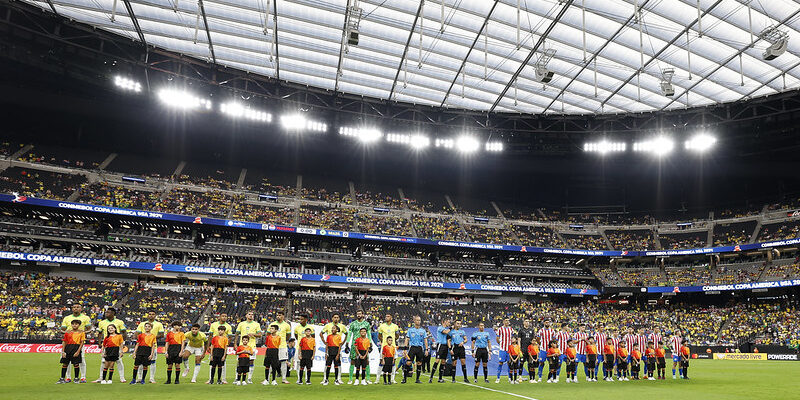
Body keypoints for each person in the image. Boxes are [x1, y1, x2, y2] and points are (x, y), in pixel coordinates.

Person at [93, 307, 127, 383]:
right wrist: (99, 342)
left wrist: (123, 342)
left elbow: (124, 332)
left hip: (116, 345)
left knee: (119, 361)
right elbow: (100, 333)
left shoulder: (119, 322)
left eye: (108, 312)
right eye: (106, 312)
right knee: (103, 362)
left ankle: (122, 377)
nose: (106, 314)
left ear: (113, 313)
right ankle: (101, 377)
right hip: (107, 345)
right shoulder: (102, 322)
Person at [60, 304, 91, 383]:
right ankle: (68, 377)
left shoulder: (85, 317)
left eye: (78, 307)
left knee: (82, 359)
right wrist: (66, 332)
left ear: (81, 308)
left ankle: (83, 377)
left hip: (79, 341)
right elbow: (62, 329)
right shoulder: (67, 318)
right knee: (67, 360)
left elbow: (90, 329)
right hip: (68, 341)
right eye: (74, 307)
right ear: (72, 308)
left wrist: (84, 332)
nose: (76, 308)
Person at [135, 311, 165, 383]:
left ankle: (151, 378)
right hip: (142, 347)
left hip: (152, 346)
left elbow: (162, 334)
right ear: (147, 315)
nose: (151, 316)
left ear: (155, 315)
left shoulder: (159, 324)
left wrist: (151, 338)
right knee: (141, 362)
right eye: (150, 314)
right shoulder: (142, 324)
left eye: (153, 314)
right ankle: (139, 377)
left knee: (152, 362)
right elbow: (137, 333)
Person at [236, 311, 262, 384]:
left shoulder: (256, 324)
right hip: (242, 346)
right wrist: (235, 344)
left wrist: (254, 334)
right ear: (246, 315)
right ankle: (237, 378)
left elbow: (260, 334)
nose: (251, 316)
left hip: (252, 346)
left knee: (251, 361)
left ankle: (249, 378)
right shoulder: (241, 324)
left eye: (252, 315)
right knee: (239, 362)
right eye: (249, 314)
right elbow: (237, 334)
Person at [207, 313, 233, 384]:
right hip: (215, 348)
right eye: (223, 316)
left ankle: (222, 379)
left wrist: (226, 345)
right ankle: (211, 379)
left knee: (221, 365)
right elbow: (210, 336)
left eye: (226, 316)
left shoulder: (228, 326)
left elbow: (230, 337)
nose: (224, 317)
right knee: (212, 365)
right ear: (219, 317)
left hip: (222, 349)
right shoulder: (213, 325)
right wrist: (208, 346)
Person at [56, 319, 85, 384]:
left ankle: (76, 378)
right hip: (68, 348)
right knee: (65, 364)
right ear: (71, 325)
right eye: (73, 324)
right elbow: (64, 342)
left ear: (79, 325)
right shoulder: (68, 332)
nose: (74, 325)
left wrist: (78, 351)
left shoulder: (81, 333)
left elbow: (82, 343)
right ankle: (62, 378)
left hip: (76, 348)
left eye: (76, 324)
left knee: (76, 364)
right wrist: (63, 352)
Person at [347, 310, 371, 385]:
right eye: (357, 314)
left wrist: (370, 342)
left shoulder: (366, 324)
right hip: (355, 344)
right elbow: (350, 333)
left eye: (360, 314)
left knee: (366, 361)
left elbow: (369, 333)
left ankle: (367, 378)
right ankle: (350, 379)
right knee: (353, 361)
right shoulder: (353, 323)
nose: (358, 315)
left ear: (363, 315)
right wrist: (347, 342)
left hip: (364, 345)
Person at [270, 311, 292, 384]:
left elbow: (288, 335)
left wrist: (284, 341)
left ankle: (284, 379)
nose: (278, 316)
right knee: (271, 362)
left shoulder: (286, 325)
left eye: (279, 315)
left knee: (283, 362)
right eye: (277, 315)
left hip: (282, 346)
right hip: (273, 347)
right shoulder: (272, 324)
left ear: (283, 316)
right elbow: (268, 334)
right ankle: (268, 379)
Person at [377, 313, 399, 383]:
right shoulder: (382, 326)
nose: (386, 317)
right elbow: (379, 336)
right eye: (386, 316)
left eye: (388, 316)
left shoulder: (395, 326)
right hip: (384, 346)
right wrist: (383, 341)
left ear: (391, 318)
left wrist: (393, 341)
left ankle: (392, 379)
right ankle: (377, 379)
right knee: (381, 362)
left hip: (393, 347)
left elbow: (397, 335)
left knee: (393, 362)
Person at [405, 315, 427, 384]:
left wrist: (426, 349)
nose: (418, 321)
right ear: (414, 321)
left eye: (419, 320)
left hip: (420, 348)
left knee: (419, 363)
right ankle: (404, 378)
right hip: (412, 348)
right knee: (408, 362)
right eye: (417, 320)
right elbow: (407, 339)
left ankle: (417, 379)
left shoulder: (423, 331)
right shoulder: (410, 330)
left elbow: (425, 340)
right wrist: (405, 349)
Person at [293, 314, 315, 384]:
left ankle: (307, 379)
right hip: (299, 348)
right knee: (299, 363)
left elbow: (313, 337)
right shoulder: (297, 327)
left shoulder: (310, 328)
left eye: (302, 319)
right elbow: (296, 336)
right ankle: (299, 378)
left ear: (306, 320)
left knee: (308, 365)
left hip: (308, 350)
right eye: (300, 319)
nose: (300, 321)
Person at [429, 317, 451, 383]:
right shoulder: (440, 328)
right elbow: (446, 332)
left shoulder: (447, 329)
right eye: (448, 322)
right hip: (440, 345)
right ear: (444, 322)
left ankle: (440, 378)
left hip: (445, 346)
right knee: (437, 361)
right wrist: (451, 327)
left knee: (443, 362)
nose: (449, 323)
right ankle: (431, 377)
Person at [494, 318, 513, 384]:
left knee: (509, 363)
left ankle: (510, 378)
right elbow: (497, 338)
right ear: (503, 322)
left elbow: (512, 338)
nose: (507, 322)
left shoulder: (511, 329)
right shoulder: (500, 329)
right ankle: (498, 378)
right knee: (500, 363)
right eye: (506, 321)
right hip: (502, 349)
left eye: (508, 321)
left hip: (509, 350)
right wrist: (500, 344)